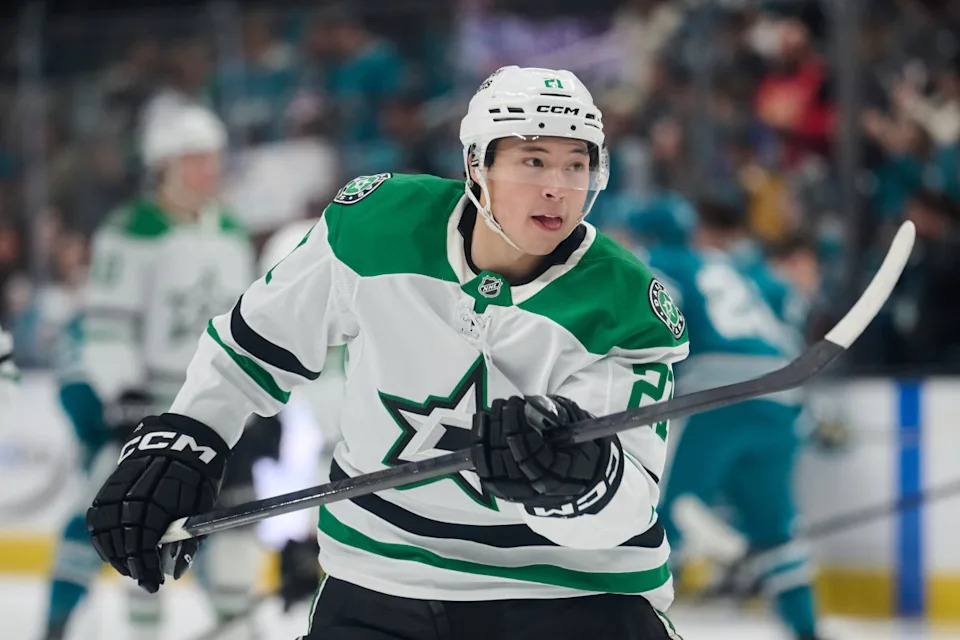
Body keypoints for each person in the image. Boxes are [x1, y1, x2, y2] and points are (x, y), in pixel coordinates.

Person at [85, 66, 690, 639]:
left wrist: (573, 482)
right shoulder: (376, 226)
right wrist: (190, 433)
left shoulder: (629, 307)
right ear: (477, 165)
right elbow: (252, 344)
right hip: (381, 584)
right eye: (533, 161)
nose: (557, 188)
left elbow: (627, 509)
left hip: (573, 597)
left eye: (576, 165)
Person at [42, 105, 267, 640]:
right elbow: (107, 326)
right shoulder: (130, 231)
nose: (209, 170)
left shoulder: (231, 231)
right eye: (194, 159)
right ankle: (63, 621)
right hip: (152, 405)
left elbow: (255, 323)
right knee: (128, 519)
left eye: (212, 158)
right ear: (163, 165)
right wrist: (124, 394)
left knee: (234, 523)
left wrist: (261, 397)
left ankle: (236, 627)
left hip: (221, 402)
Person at [642, 195, 825, 640]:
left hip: (717, 395)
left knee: (661, 516)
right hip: (781, 397)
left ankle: (637, 620)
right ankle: (806, 630)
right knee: (775, 525)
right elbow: (782, 326)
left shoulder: (660, 261)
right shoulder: (745, 269)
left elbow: (656, 325)